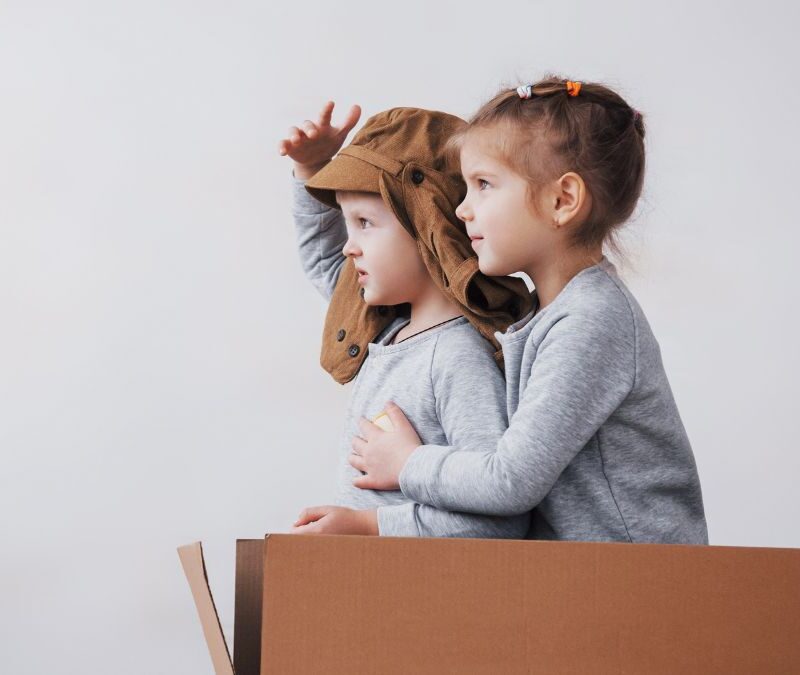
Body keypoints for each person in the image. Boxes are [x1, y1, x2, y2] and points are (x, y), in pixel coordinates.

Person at [349, 79, 709, 544]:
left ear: (562, 201)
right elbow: (341, 286)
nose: (462, 210)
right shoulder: (550, 312)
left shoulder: (591, 322)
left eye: (483, 185)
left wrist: (407, 463)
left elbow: (509, 481)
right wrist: (309, 173)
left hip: (639, 580)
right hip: (591, 578)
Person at [279, 103, 533, 538]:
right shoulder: (383, 324)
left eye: (364, 224)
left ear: (430, 229)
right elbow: (323, 258)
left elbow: (499, 522)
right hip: (381, 580)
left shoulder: (456, 359)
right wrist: (310, 168)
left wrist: (368, 527)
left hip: (419, 591)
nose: (348, 247)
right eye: (347, 224)